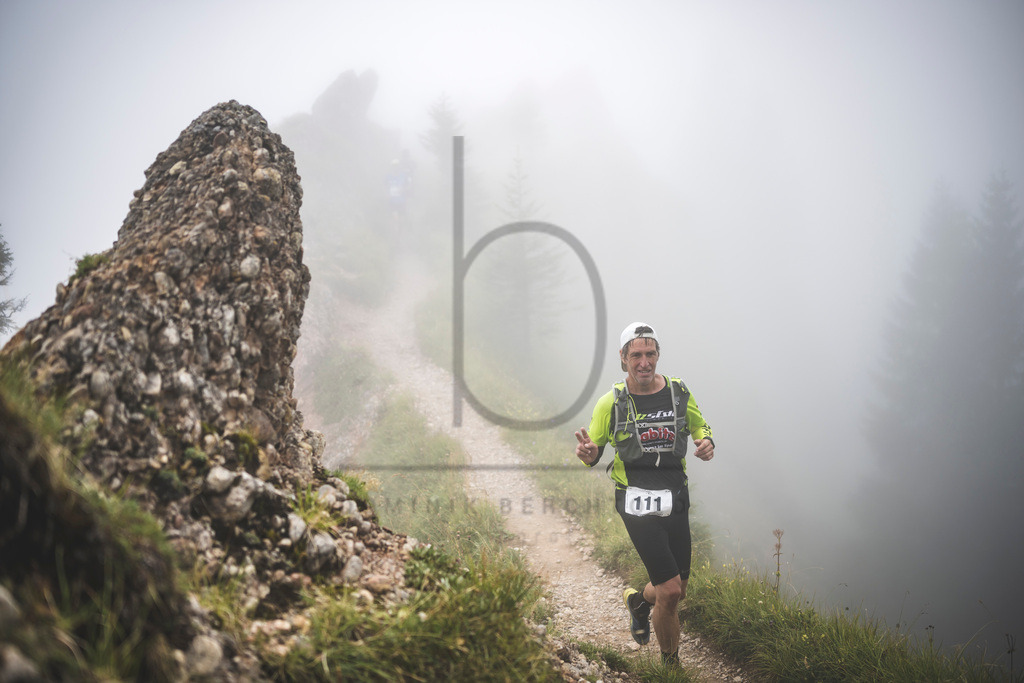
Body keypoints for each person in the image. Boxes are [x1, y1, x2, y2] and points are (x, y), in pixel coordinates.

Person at [574, 321, 715, 665]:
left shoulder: (678, 391)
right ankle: (672, 668)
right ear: (623, 359)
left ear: (658, 356)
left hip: (675, 495)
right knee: (669, 591)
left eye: (650, 354)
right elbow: (594, 447)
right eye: (635, 355)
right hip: (635, 501)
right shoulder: (611, 402)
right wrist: (590, 455)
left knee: (678, 585)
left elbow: (697, 423)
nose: (644, 362)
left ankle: (639, 602)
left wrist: (706, 441)